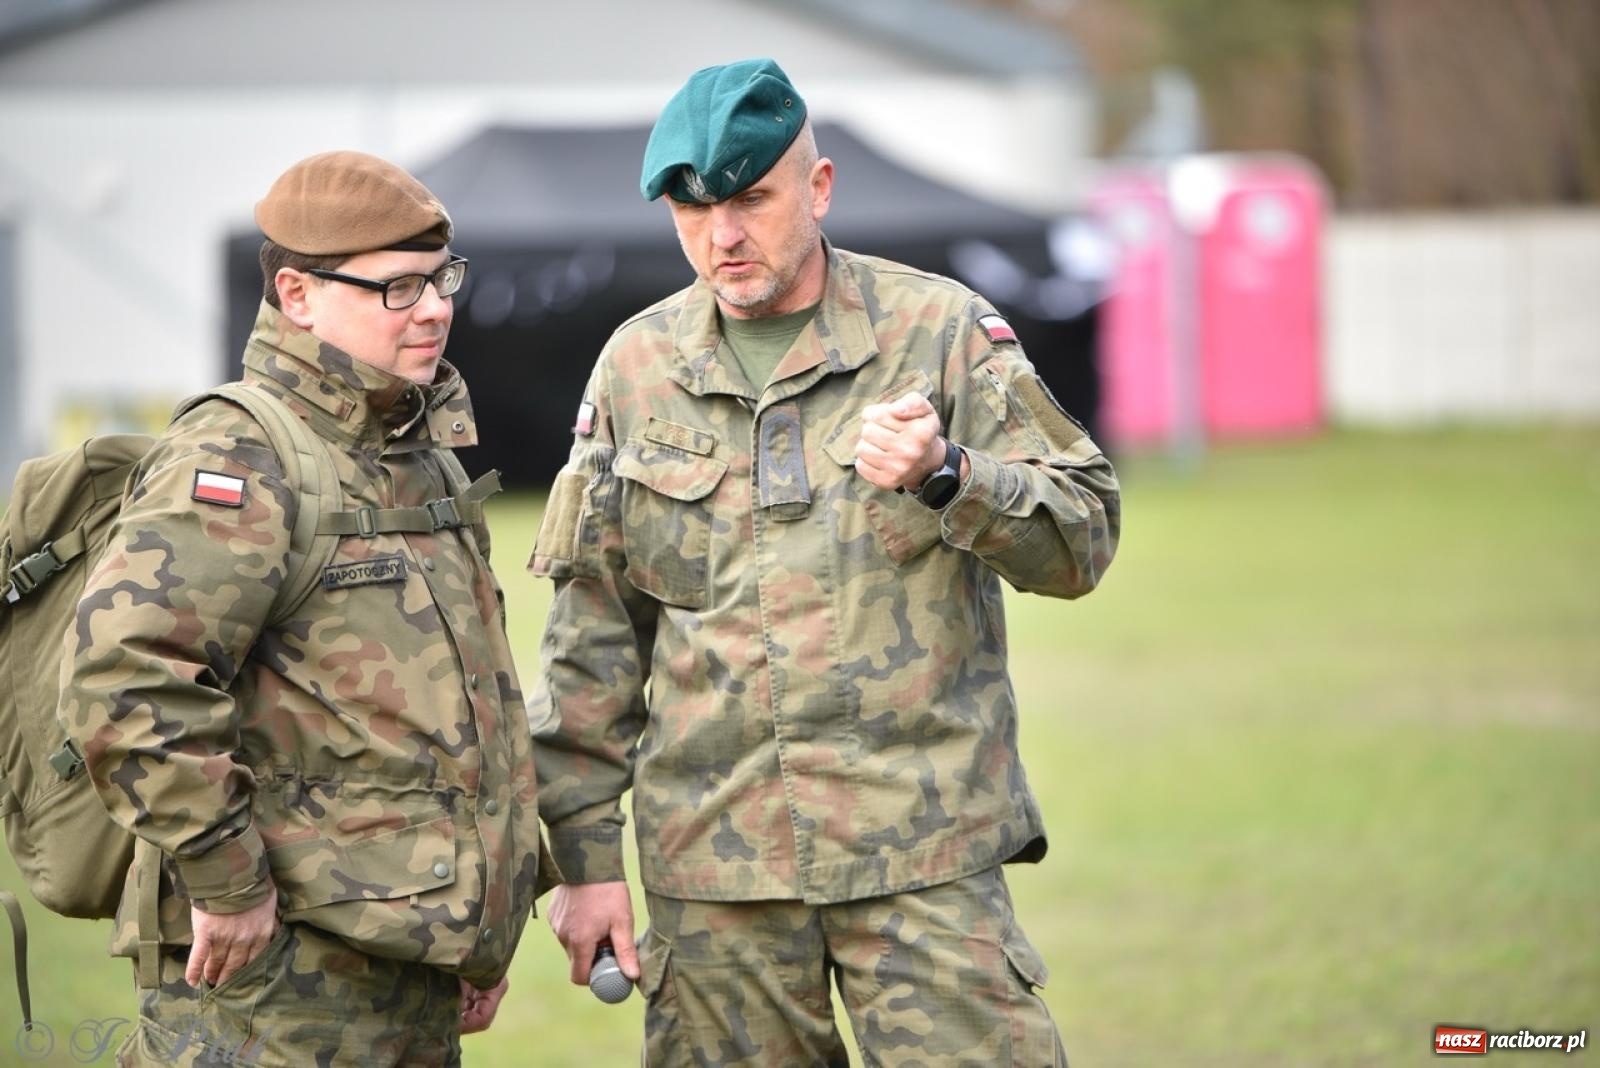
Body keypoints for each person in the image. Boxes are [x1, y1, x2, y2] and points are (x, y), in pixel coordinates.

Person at [530, 58, 1120, 1066]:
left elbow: (1083, 536)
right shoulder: (637, 366)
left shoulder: (936, 331)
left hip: (920, 855)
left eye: (751, 199)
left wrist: (950, 475)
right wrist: (584, 859)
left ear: (819, 187)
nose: (722, 235)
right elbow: (592, 636)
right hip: (716, 881)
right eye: (692, 207)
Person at [59, 150, 549, 1067]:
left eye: (441, 279)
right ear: (298, 294)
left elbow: (472, 711)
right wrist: (228, 880)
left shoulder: (417, 458)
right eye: (397, 288)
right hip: (278, 985)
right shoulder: (241, 455)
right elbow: (124, 680)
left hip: (406, 959)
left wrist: (484, 924)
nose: (434, 308)